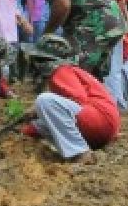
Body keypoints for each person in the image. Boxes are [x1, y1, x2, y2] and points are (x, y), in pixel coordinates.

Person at [21, 34, 119, 162]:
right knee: (46, 112)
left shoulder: (62, 71)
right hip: (104, 126)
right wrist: (28, 130)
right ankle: (27, 135)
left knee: (44, 101)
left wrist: (36, 110)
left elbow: (79, 99)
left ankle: (80, 153)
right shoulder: (71, 70)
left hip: (99, 121)